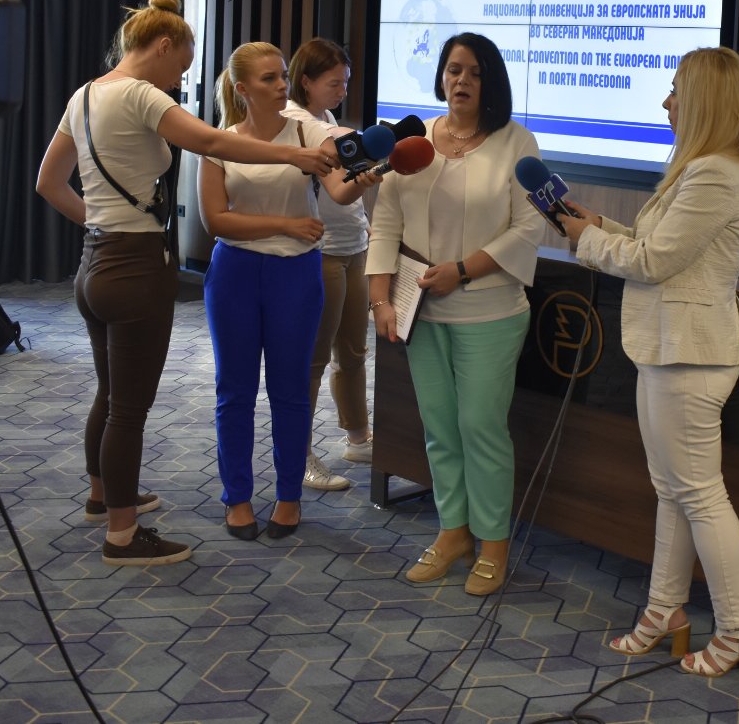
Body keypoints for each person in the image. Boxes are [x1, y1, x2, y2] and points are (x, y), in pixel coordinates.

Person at [36, 0, 338, 567]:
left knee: (110, 395)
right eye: (181, 66)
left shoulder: (85, 94)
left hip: (94, 261)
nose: (180, 80)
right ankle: (122, 534)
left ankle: (104, 497)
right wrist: (291, 160)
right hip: (135, 267)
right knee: (129, 410)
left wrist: (101, 224)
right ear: (163, 46)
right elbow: (212, 143)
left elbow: (48, 183)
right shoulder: (142, 94)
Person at [559, 46, 739, 677]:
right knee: (673, 491)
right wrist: (601, 225)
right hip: (670, 350)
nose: (666, 101)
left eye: (676, 90)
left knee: (700, 495)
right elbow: (660, 246)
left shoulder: (715, 174)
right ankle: (664, 612)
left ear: (704, 100)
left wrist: (587, 241)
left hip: (691, 356)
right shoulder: (701, 168)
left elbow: (654, 263)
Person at [366, 32, 546, 595]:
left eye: (473, 72)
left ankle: (493, 542)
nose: (461, 80)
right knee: (440, 428)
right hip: (421, 310)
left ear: (490, 81)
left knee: (480, 427)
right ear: (440, 76)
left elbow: (529, 227)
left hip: (490, 309)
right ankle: (453, 533)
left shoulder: (516, 141)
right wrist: (379, 299)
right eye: (452, 69)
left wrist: (463, 271)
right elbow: (386, 223)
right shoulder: (412, 141)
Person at [201, 42, 380, 539]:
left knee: (290, 390)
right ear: (242, 89)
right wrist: (285, 224)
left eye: (283, 75)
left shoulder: (308, 132)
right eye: (269, 79)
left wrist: (366, 177)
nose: (282, 85)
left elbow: (339, 190)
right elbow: (216, 220)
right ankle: (237, 497)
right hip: (235, 273)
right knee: (234, 391)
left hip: (295, 275)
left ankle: (288, 497)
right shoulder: (219, 142)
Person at [281, 39, 371, 492]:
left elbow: (345, 188)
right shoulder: (299, 124)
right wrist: (372, 160)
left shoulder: (328, 120)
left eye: (346, 82)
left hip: (354, 247)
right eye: (334, 83)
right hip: (322, 254)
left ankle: (358, 437)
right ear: (307, 82)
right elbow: (339, 187)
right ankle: (299, 456)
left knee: (353, 352)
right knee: (313, 359)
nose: (342, 91)